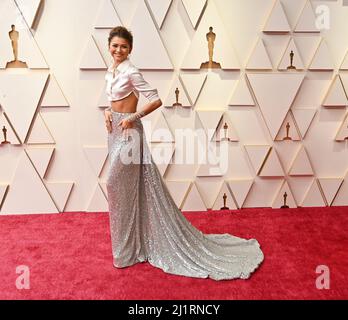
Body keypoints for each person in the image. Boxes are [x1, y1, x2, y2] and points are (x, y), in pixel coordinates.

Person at [104, 26, 264, 280]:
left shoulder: (132, 71)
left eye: (123, 46)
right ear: (109, 46)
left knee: (113, 183)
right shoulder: (111, 71)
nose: (119, 50)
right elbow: (113, 100)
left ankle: (127, 250)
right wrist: (108, 112)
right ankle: (127, 251)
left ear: (130, 49)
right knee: (123, 188)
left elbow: (156, 99)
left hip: (129, 132)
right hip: (114, 130)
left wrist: (132, 117)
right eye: (115, 45)